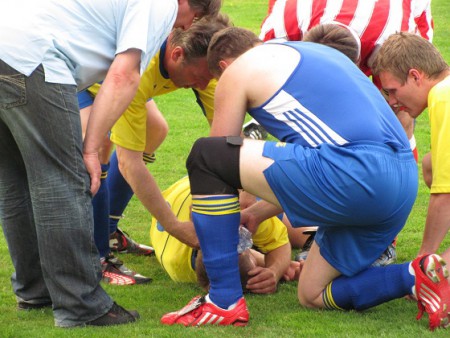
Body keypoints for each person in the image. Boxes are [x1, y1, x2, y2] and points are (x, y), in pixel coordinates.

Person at [159, 27, 450, 331]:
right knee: (311, 293)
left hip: (356, 172)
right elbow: (314, 169)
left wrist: (214, 231)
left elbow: (221, 158)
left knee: (206, 156)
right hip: (401, 182)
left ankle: (223, 301)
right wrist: (256, 213)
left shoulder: (237, 71)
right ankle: (415, 275)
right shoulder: (318, 55)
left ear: (223, 66)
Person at [0, 0, 215, 328]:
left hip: (11, 43)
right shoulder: (160, 8)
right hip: (35, 57)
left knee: (14, 178)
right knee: (64, 178)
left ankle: (34, 290)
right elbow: (125, 73)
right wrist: (90, 149)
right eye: (195, 17)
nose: (187, 27)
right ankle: (81, 304)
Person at [77, 13, 229, 285]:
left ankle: (109, 231)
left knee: (155, 129)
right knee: (96, 146)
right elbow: (129, 163)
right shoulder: (142, 70)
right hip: (80, 79)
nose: (205, 85)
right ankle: (98, 257)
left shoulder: (203, 66)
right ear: (177, 54)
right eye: (200, 77)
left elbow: (227, 138)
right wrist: (175, 226)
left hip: (120, 81)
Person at [257, 0, 434, 160]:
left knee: (399, 114)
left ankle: (398, 183)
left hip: (400, 18)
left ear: (357, 65)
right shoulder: (281, 33)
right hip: (300, 29)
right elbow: (257, 81)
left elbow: (395, 105)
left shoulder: (391, 41)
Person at [371, 32, 449, 261]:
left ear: (415, 76)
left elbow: (445, 194)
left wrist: (424, 258)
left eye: (392, 90)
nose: (392, 102)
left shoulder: (443, 96)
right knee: (430, 165)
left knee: (432, 280)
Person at [150, 176, 299, 293]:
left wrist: (275, 270)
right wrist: (275, 268)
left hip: (196, 182)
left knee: (299, 230)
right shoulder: (180, 270)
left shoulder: (229, 216)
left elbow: (281, 243)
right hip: (181, 194)